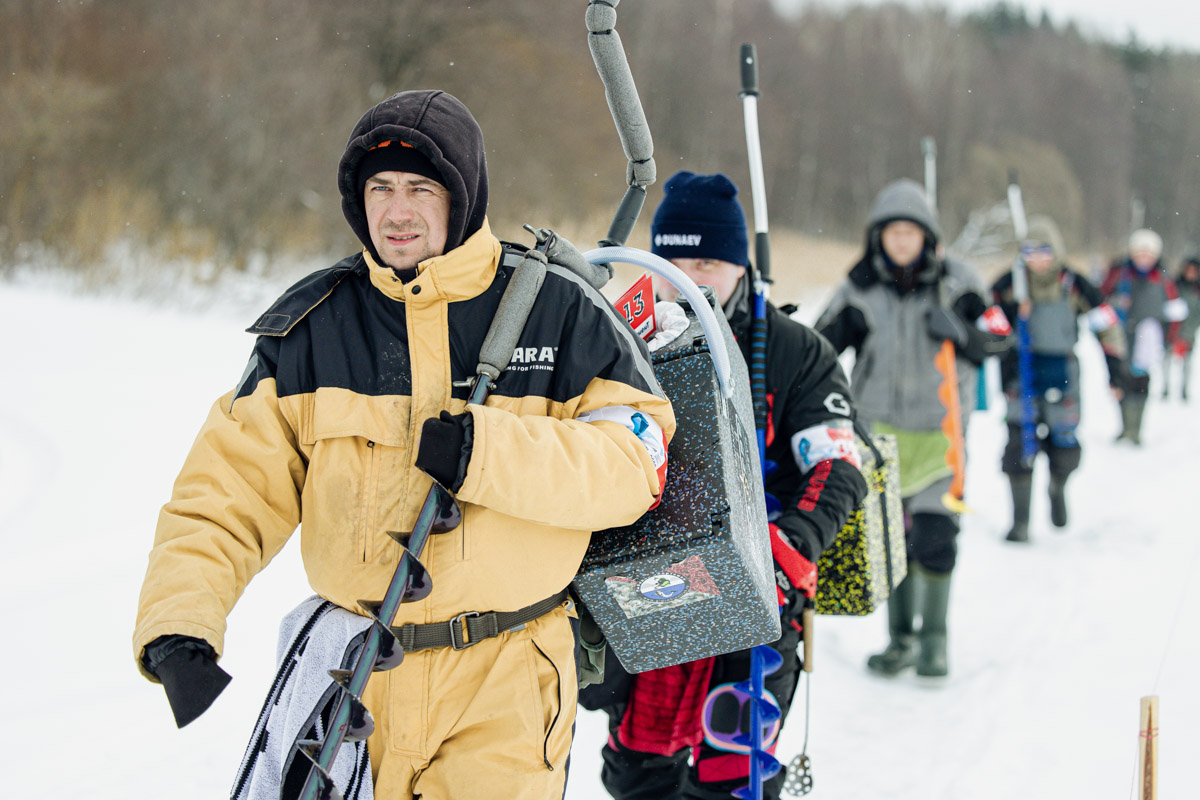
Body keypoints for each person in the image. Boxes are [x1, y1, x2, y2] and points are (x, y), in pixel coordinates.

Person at [132, 89, 676, 798]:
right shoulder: (311, 330)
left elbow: (635, 464)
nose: (397, 210)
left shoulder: (559, 309)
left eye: (421, 188)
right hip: (354, 677)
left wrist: (487, 453)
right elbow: (224, 495)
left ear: (463, 198)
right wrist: (181, 624)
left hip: (508, 680)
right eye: (380, 188)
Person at [581, 171, 868, 800]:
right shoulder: (616, 339)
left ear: (739, 266)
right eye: (674, 258)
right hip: (649, 586)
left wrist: (789, 545)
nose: (690, 274)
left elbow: (840, 462)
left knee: (731, 772)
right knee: (637, 771)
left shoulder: (796, 351)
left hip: (761, 598)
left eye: (708, 260)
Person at [815, 179, 1010, 678]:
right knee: (890, 543)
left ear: (927, 236)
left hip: (942, 436)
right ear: (878, 236)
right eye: (892, 231)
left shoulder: (959, 282)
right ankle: (899, 641)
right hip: (878, 437)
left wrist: (963, 332)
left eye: (911, 232)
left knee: (936, 538)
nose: (901, 241)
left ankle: (933, 642)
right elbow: (820, 348)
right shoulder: (859, 287)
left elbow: (998, 339)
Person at [990, 216, 1128, 542]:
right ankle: (1020, 522)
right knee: (1018, 443)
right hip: (1019, 373)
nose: (1037, 258)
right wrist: (1012, 316)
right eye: (1030, 251)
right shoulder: (1009, 285)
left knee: (1063, 443)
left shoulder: (1074, 284)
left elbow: (1107, 326)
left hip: (1062, 372)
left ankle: (1057, 486)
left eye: (1044, 251)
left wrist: (1116, 373)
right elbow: (986, 325)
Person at [1100, 229, 1187, 444]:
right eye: (1140, 253)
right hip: (1121, 336)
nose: (1144, 259)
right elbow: (1102, 300)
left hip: (1147, 338)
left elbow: (1173, 312)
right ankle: (1124, 426)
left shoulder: (1163, 279)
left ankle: (1136, 428)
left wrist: (1169, 339)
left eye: (1148, 254)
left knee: (1140, 382)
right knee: (1120, 381)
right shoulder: (1119, 275)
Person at [1162, 256, 1200, 401]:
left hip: (1189, 332)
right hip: (1172, 331)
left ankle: (1184, 389)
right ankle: (1165, 388)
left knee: (1188, 364)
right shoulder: (1175, 286)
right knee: (1167, 361)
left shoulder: (1197, 289)